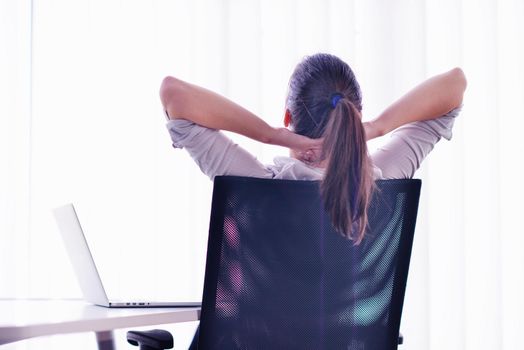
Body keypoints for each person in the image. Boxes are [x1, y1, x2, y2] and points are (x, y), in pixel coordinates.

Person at [160, 53, 466, 244]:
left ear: (288, 117)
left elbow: (174, 94)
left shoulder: (258, 186)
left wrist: (271, 135)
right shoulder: (380, 182)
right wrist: (376, 127)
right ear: (353, 117)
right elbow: (455, 84)